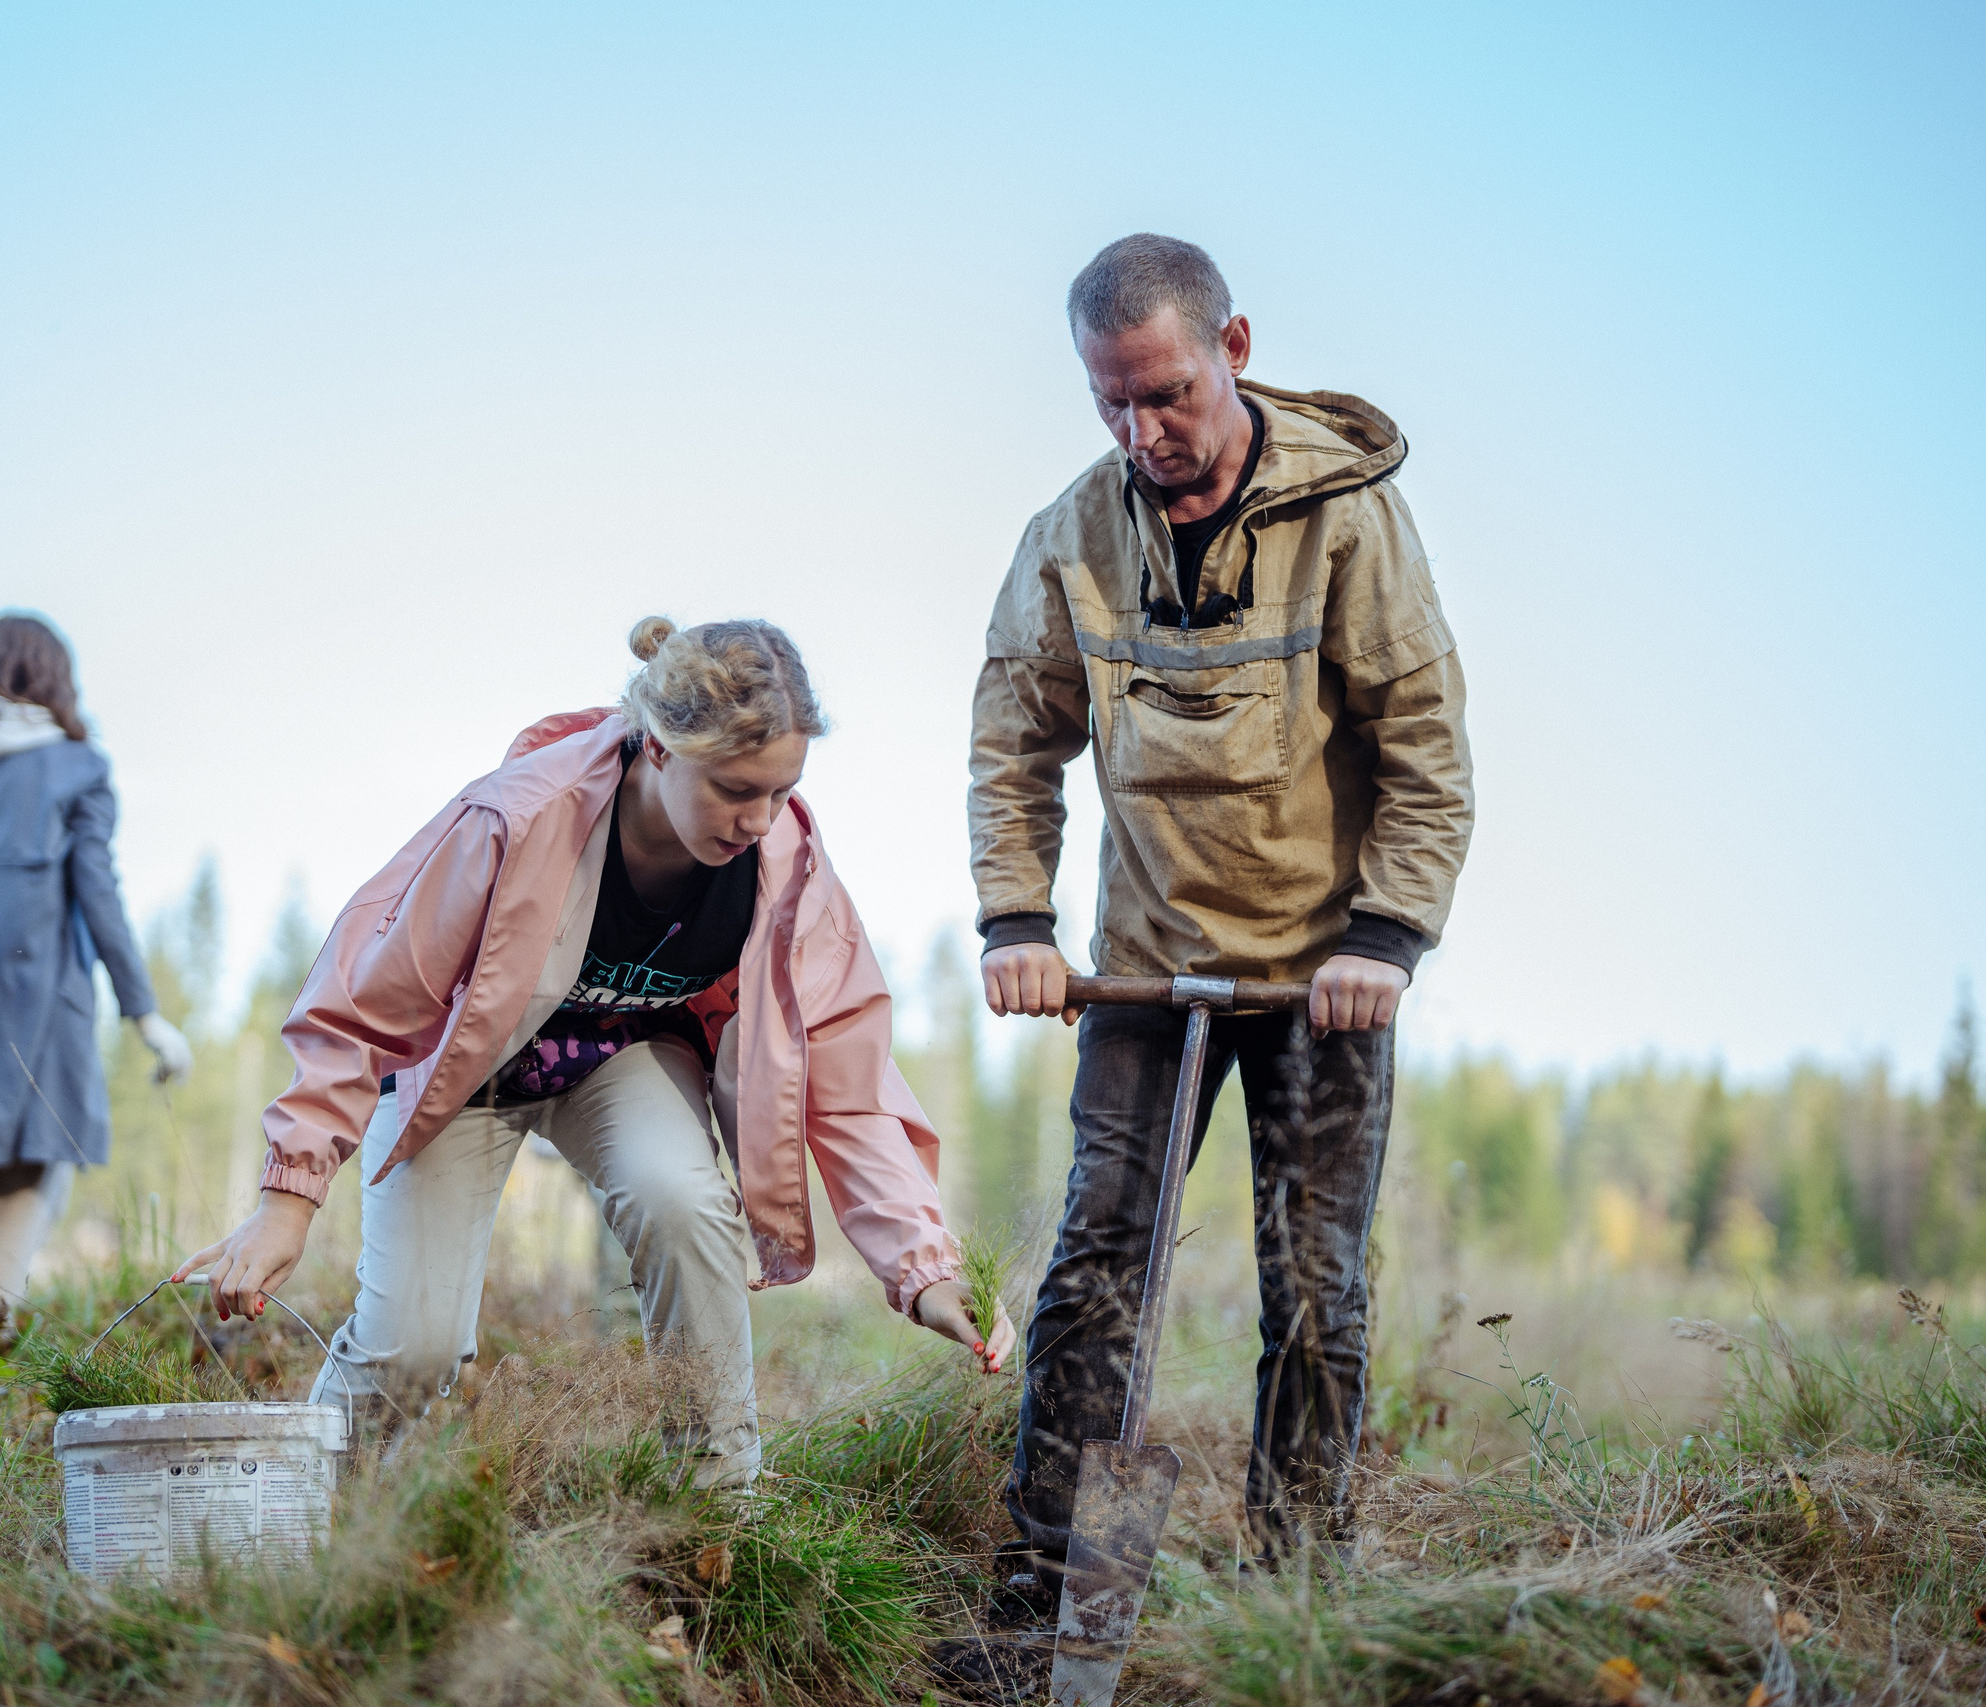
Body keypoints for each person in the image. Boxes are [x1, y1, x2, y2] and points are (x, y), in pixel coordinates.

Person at [176, 617, 1015, 1485]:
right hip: (463, 1069)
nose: (758, 819)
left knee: (684, 1202)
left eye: (780, 790)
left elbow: (846, 1078)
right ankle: (298, 1511)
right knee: (414, 1345)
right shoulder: (517, 816)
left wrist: (924, 1269)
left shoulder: (786, 865)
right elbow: (364, 1000)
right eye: (734, 789)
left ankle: (718, 1511)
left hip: (622, 1057)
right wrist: (290, 1195)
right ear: (658, 746)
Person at [968, 236, 1475, 1604]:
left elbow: (1425, 742)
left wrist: (1386, 936)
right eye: (1113, 401)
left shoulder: (1347, 521)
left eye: (1170, 393)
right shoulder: (1073, 539)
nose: (1146, 431)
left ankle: (1298, 1588)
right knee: (1094, 1272)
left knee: (1314, 1289)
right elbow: (1014, 738)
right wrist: (1016, 917)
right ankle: (1047, 1590)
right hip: (1148, 977)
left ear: (1234, 346)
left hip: (1325, 979)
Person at [0, 613, 192, 1320]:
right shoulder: (76, 767)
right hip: (32, 976)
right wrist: (143, 1012)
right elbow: (98, 889)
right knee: (41, 1155)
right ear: (57, 679)